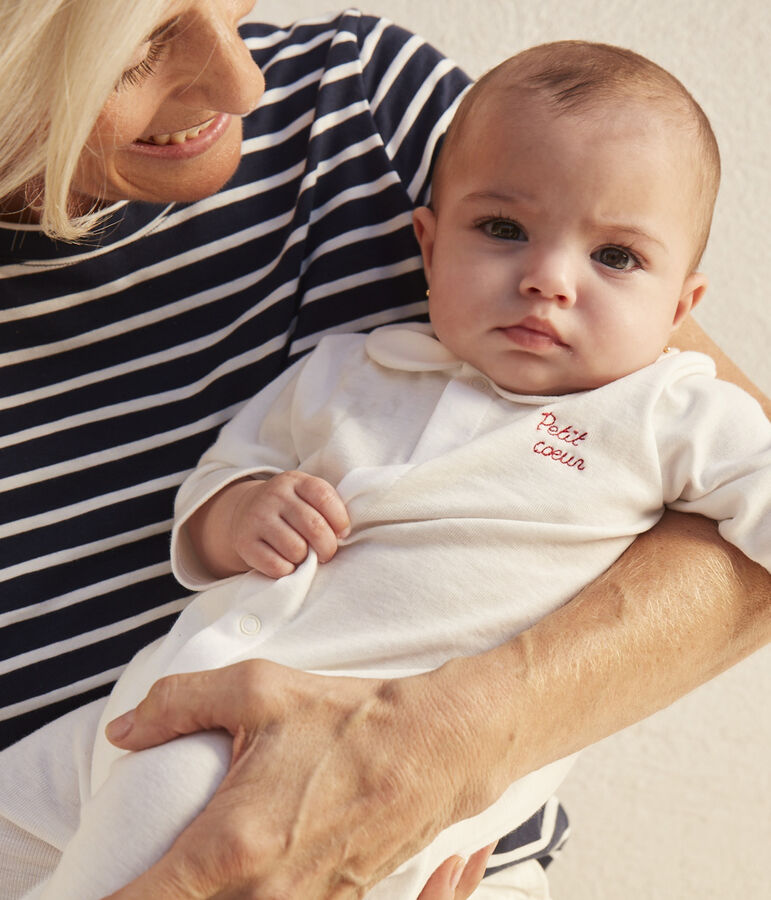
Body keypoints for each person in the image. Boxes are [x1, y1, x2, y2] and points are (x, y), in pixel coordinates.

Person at [0, 3, 768, 899]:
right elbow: (225, 477)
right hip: (143, 708)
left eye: (616, 258)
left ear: (681, 306)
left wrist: (441, 741)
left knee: (151, 820)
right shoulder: (352, 367)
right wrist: (236, 513)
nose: (548, 278)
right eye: (503, 233)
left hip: (360, 812)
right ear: (428, 245)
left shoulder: (663, 408)